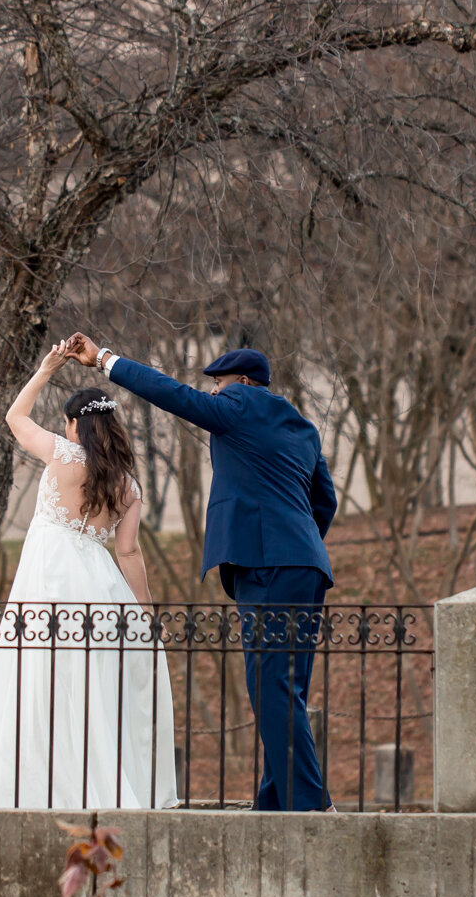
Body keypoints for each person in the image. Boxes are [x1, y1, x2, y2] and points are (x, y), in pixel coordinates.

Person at [65, 334, 336, 811]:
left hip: (267, 564)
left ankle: (312, 805)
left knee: (271, 686)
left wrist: (105, 360)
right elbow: (324, 502)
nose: (214, 392)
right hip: (307, 565)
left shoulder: (239, 406)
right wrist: (299, 542)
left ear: (245, 383)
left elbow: (172, 394)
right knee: (284, 687)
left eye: (221, 383)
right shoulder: (304, 428)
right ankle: (276, 800)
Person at [0, 339, 177, 809]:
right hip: (100, 584)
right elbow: (129, 553)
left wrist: (46, 368)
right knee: (93, 687)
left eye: (67, 423)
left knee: (34, 677)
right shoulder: (129, 485)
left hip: (50, 577)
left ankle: (32, 785)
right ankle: (94, 785)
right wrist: (146, 614)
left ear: (74, 424)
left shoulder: (63, 455)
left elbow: (14, 418)